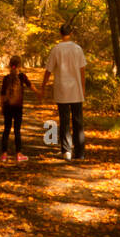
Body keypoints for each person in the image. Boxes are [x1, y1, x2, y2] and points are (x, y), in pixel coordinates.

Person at [40, 26, 86, 162]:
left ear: (60, 33)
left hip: (62, 90)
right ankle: (80, 153)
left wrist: (43, 85)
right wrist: (83, 88)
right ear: (71, 33)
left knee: (64, 121)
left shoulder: (56, 49)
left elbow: (48, 70)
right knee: (78, 121)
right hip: (76, 90)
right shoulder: (78, 49)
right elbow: (82, 70)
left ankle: (66, 151)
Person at [0, 55, 34, 163]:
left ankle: (4, 155)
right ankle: (18, 154)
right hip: (18, 108)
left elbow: (2, 95)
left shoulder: (6, 78)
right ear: (20, 65)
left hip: (7, 107)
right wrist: (39, 93)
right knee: (17, 131)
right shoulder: (22, 77)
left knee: (6, 130)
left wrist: (1, 107)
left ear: (10, 65)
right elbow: (30, 85)